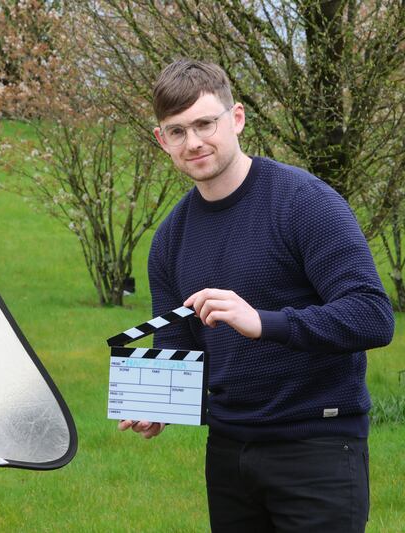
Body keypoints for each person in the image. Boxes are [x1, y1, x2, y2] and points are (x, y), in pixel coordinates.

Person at [117, 59, 394, 532]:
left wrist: (265, 321)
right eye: (177, 131)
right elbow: (176, 341)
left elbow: (372, 315)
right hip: (228, 454)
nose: (195, 142)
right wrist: (157, 403)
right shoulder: (170, 238)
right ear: (162, 140)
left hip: (318, 446)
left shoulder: (304, 202)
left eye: (206, 123)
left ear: (237, 118)